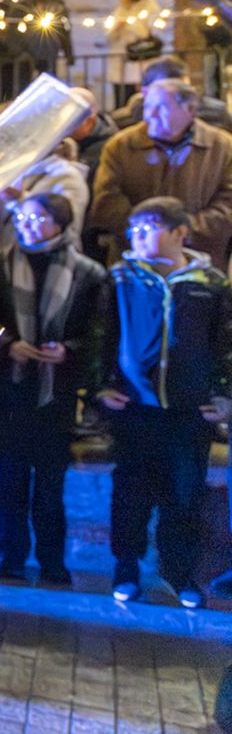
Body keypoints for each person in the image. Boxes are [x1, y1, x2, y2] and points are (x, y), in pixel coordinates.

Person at [96, 196, 232, 609]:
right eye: (133, 229)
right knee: (131, 494)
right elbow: (104, 334)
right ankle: (126, 568)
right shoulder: (122, 277)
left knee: (185, 495)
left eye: (149, 227)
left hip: (189, 411)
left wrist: (223, 396)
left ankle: (181, 573)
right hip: (136, 406)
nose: (138, 236)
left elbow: (224, 343)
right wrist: (101, 386)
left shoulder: (210, 283)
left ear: (180, 232)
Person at [0, 192, 107, 585]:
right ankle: (11, 557)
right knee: (9, 478)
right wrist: (8, 343)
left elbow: (98, 331)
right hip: (11, 386)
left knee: (50, 483)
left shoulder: (88, 271)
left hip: (56, 391)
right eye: (23, 218)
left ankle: (52, 562)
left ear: (60, 224)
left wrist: (70, 351)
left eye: (38, 219)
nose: (27, 226)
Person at [90, 78, 232, 267]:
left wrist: (181, 232)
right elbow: (107, 201)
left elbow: (228, 204)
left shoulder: (222, 147)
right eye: (148, 107)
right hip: (135, 264)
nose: (150, 116)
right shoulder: (120, 146)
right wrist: (148, 235)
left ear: (189, 109)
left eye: (161, 107)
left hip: (200, 266)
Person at [111, 55, 232, 131]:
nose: (175, 101)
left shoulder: (215, 113)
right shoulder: (123, 123)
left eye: (181, 91)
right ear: (145, 92)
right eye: (163, 95)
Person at [108, 0, 164, 108]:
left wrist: (129, 24)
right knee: (122, 97)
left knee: (139, 97)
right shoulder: (120, 11)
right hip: (121, 59)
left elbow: (149, 32)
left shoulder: (149, 10)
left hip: (140, 60)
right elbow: (109, 35)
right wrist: (117, 28)